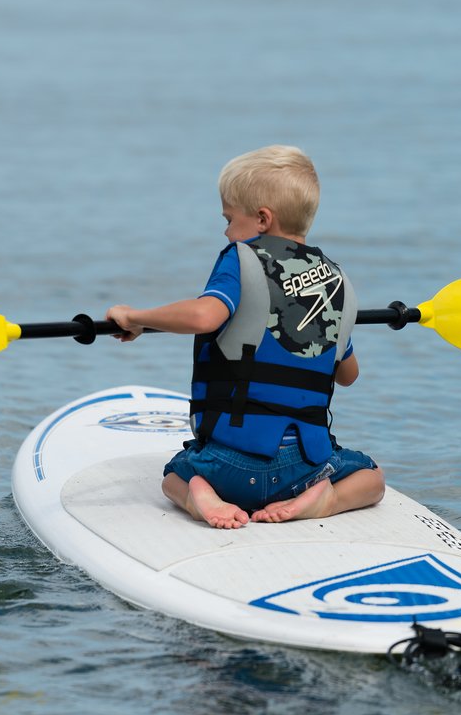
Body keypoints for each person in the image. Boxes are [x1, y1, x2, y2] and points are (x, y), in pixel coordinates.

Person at [106, 146, 385, 529]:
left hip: (230, 467)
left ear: (261, 220)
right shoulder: (337, 282)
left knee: (174, 475)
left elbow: (205, 316)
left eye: (228, 218)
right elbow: (348, 374)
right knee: (372, 478)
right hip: (305, 467)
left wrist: (135, 317)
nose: (225, 231)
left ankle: (198, 493)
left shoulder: (240, 258)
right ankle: (327, 497)